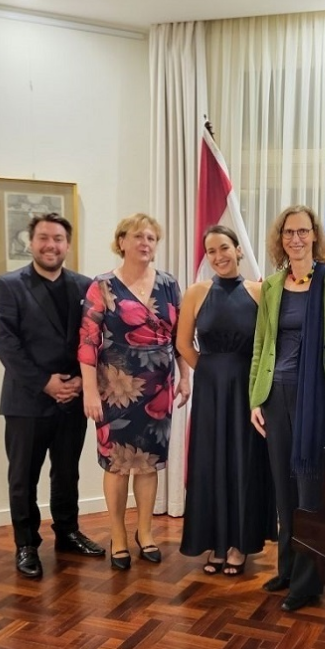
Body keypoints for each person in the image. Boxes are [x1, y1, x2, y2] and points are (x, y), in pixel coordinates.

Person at [0, 212, 106, 580]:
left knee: (67, 472)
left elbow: (93, 339)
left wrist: (78, 384)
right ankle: (26, 544)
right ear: (31, 242)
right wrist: (46, 382)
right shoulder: (8, 285)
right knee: (24, 477)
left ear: (67, 245)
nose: (50, 245)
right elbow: (6, 344)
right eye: (43, 238)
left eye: (57, 238)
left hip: (73, 397)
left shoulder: (85, 286)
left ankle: (67, 532)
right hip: (27, 400)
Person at [250, 204, 325, 612]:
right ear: (280, 239)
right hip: (276, 396)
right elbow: (261, 344)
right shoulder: (272, 286)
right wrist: (255, 398)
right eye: (288, 232)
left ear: (315, 236)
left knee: (311, 489)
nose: (296, 238)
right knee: (283, 486)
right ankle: (287, 569)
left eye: (303, 231)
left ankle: (309, 583)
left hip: (320, 399)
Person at [78, 213, 190, 571]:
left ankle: (145, 532)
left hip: (159, 385)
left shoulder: (170, 284)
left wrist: (185, 376)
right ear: (121, 241)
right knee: (117, 464)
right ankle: (118, 534)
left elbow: (180, 339)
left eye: (151, 238)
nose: (145, 243)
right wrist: (90, 392)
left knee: (147, 464)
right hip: (116, 388)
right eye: (137, 236)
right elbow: (87, 343)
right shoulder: (102, 286)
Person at [177, 225, 277, 576]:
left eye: (224, 248)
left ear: (238, 250)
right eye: (211, 251)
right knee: (211, 462)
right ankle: (215, 544)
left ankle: (239, 544)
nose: (218, 256)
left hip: (248, 390)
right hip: (209, 389)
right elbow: (183, 343)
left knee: (244, 463)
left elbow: (269, 345)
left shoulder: (260, 291)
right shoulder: (195, 292)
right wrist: (207, 371)